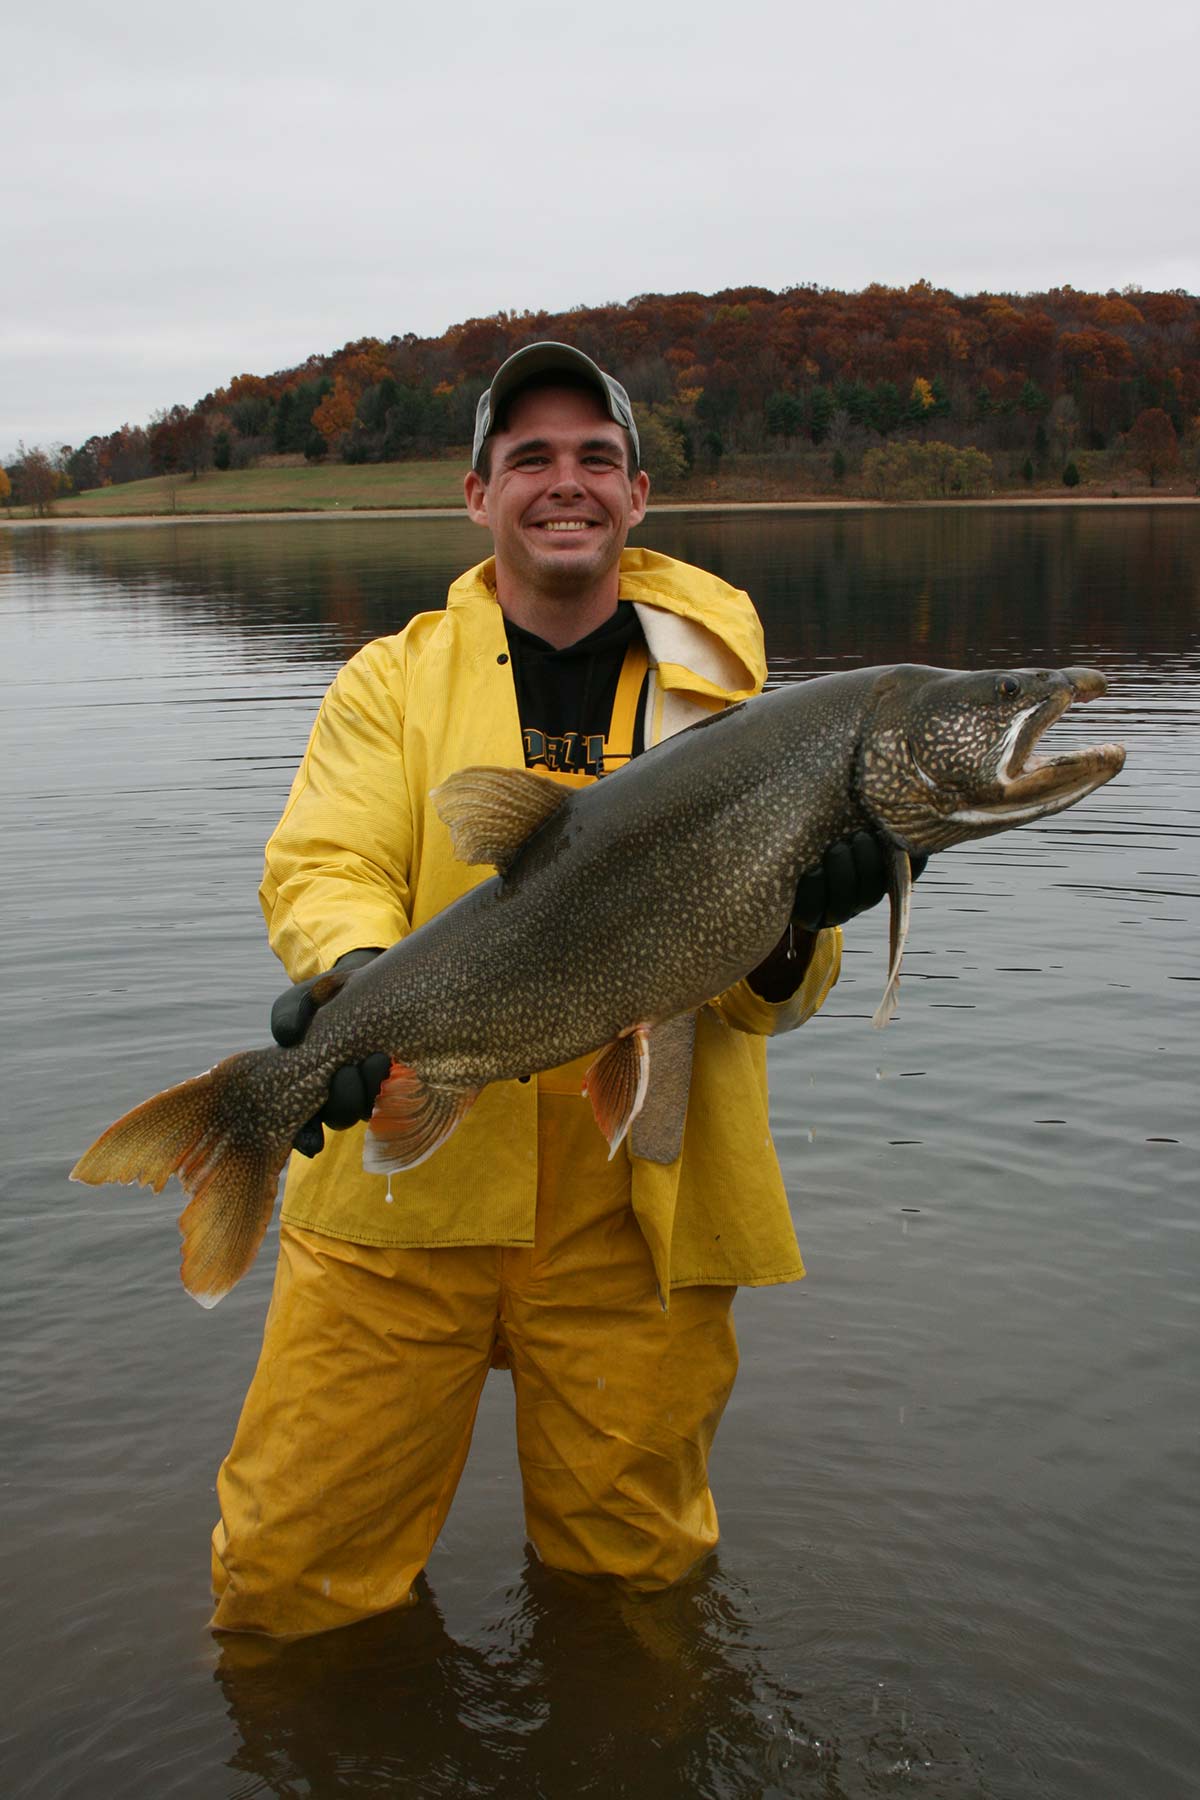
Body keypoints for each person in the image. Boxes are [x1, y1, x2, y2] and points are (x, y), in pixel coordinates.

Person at [209, 343, 892, 1639]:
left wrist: (801, 927)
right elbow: (324, 861)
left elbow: (772, 1003)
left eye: (595, 458)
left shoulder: (733, 703)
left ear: (639, 498)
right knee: (292, 1585)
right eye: (531, 457)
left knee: (634, 1597)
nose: (563, 483)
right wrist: (353, 974)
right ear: (477, 496)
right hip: (403, 1189)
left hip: (643, 1201)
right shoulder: (387, 684)